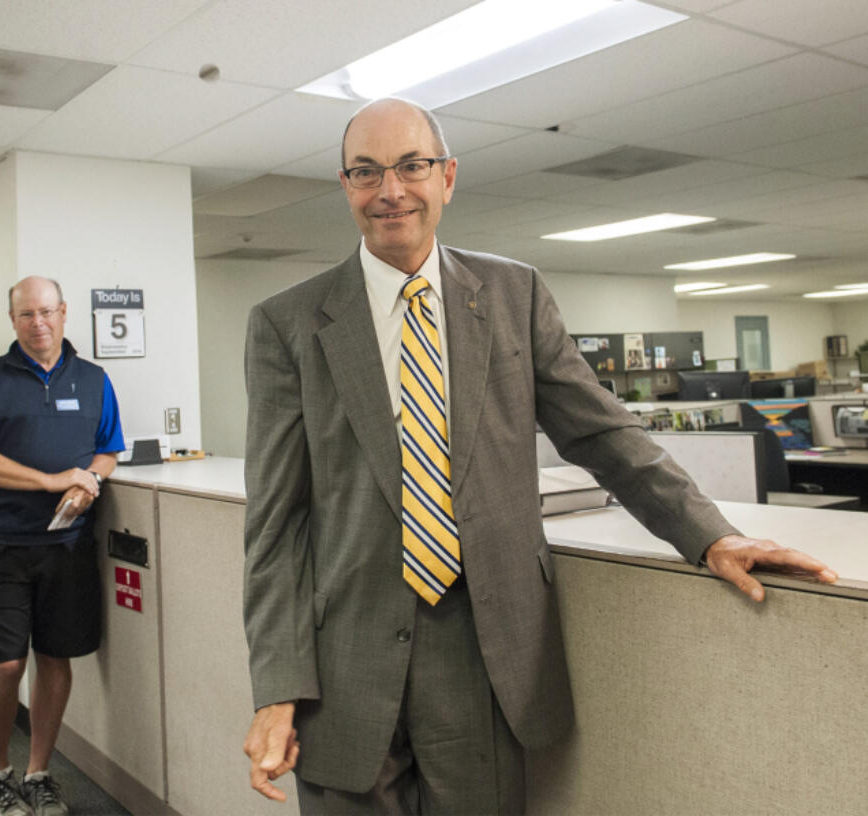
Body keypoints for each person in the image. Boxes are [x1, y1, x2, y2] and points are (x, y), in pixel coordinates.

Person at [240, 98, 838, 815]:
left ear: (448, 177)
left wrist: (710, 535)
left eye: (411, 166)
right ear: (346, 186)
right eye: (366, 172)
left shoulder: (512, 293)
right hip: (343, 664)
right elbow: (276, 525)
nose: (390, 190)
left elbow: (601, 432)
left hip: (484, 652)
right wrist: (278, 686)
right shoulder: (288, 323)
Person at [0, 276, 125, 816]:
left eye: (47, 312)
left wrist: (89, 480)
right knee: (5, 666)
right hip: (0, 547)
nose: (38, 323)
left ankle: (39, 773)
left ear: (64, 313)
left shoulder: (96, 379)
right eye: (27, 314)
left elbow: (108, 450)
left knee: (55, 659)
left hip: (67, 549)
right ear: (13, 320)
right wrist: (51, 480)